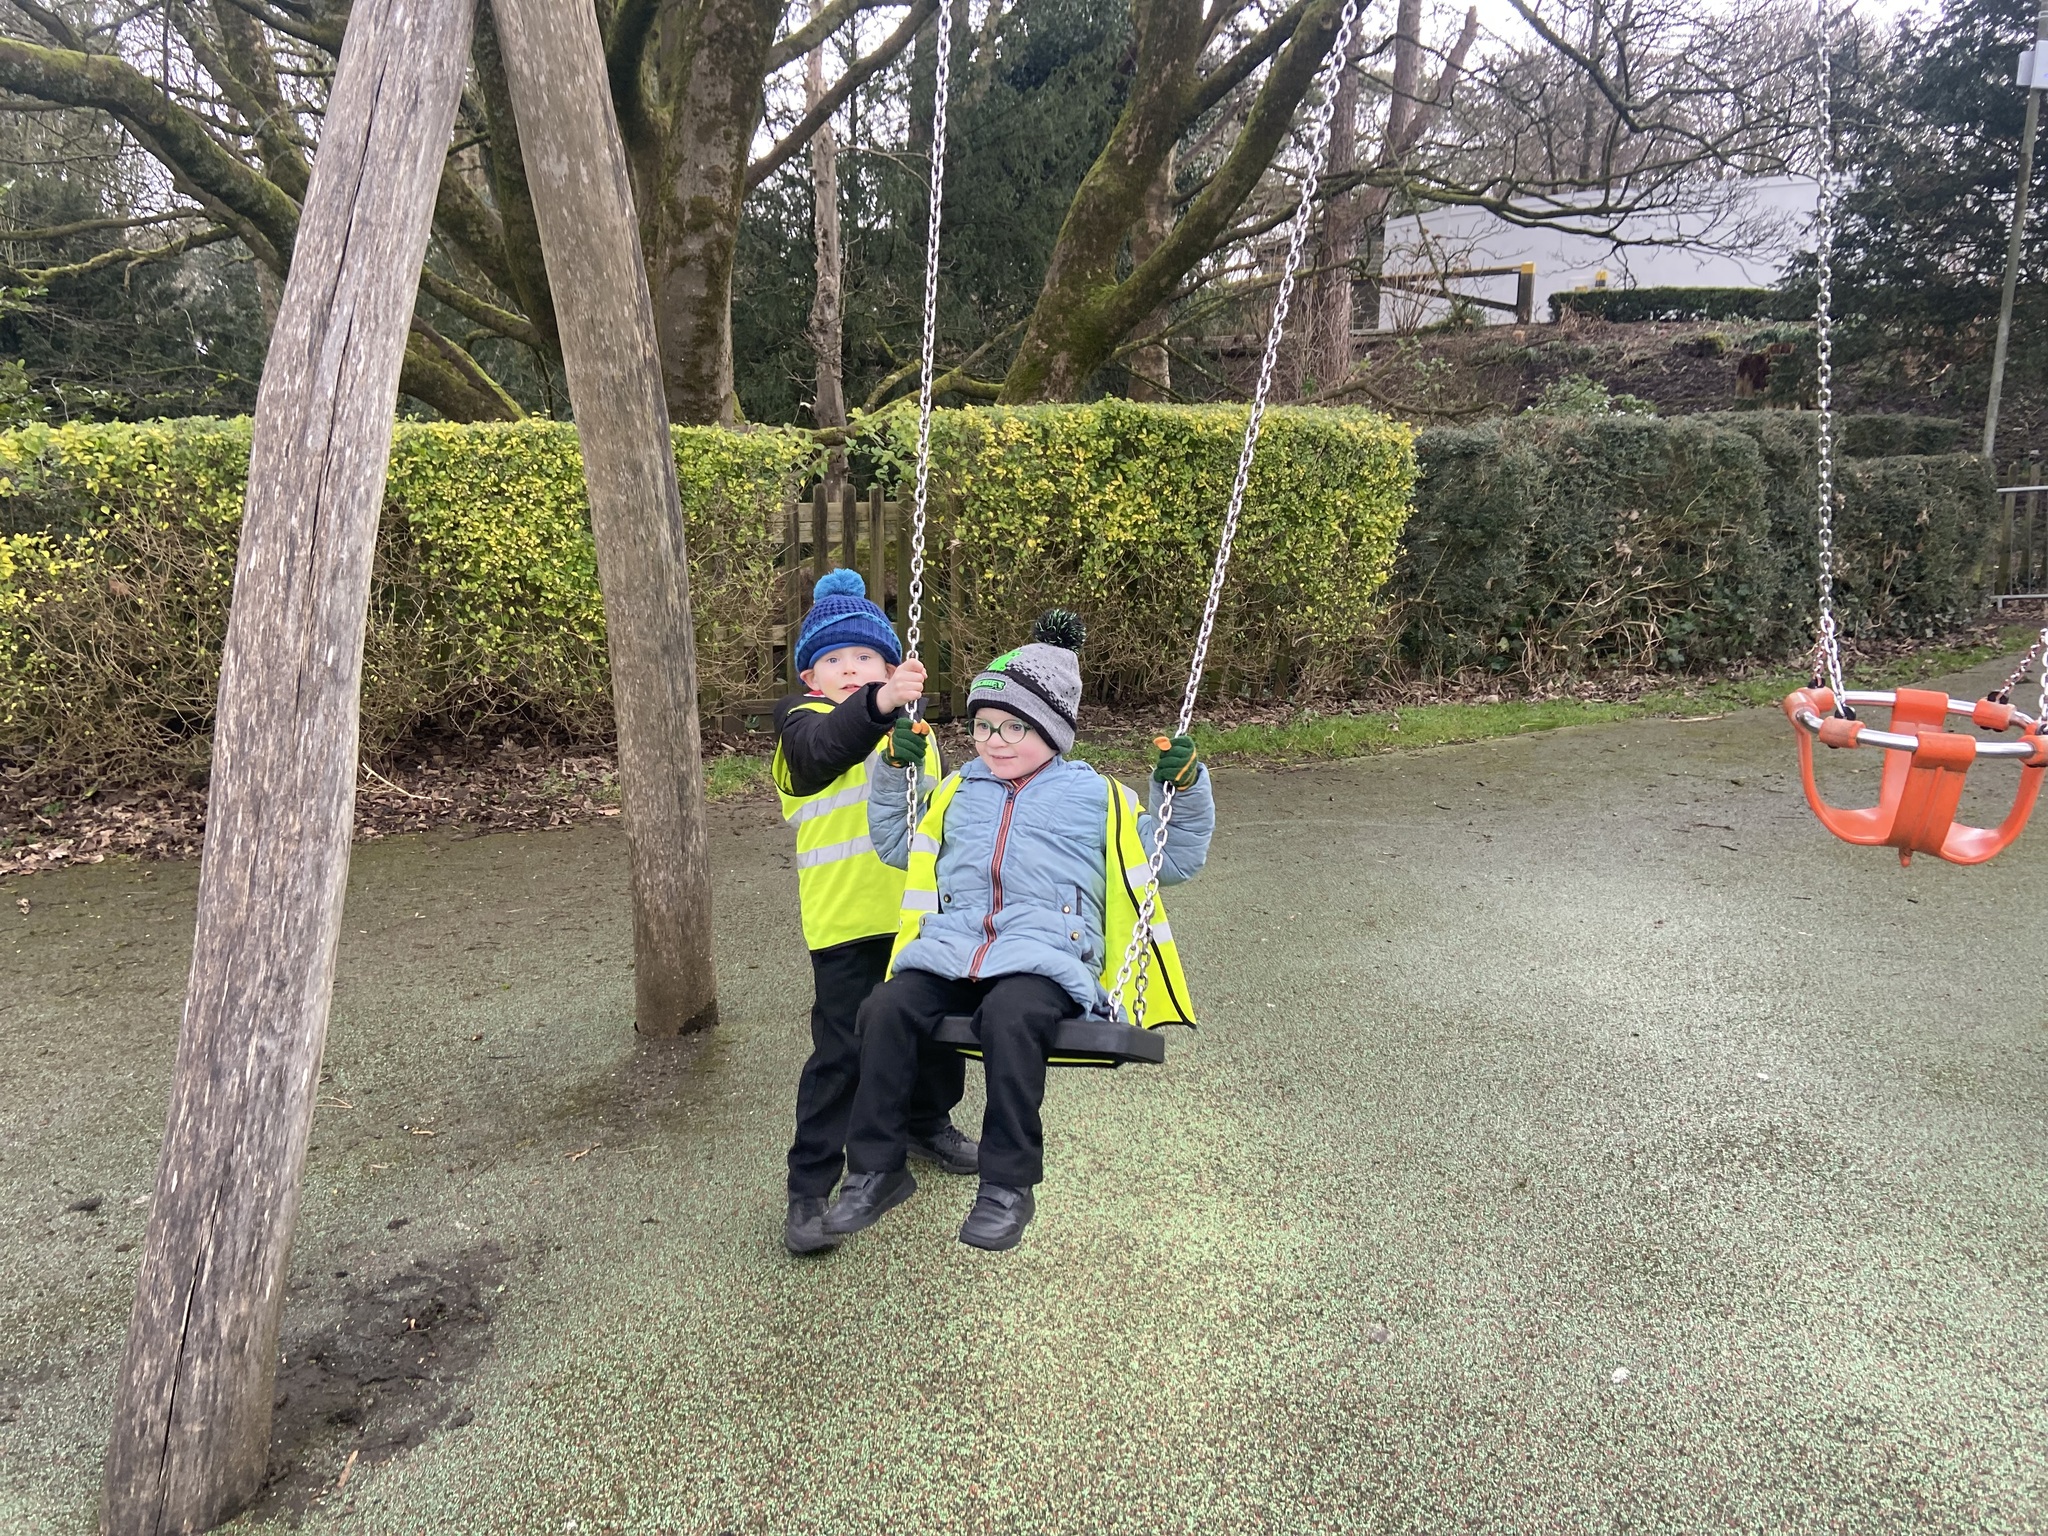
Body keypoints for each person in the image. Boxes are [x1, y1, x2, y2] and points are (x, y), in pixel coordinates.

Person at [822, 610, 1213, 1251]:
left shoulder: (1097, 797)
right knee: (884, 1008)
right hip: (954, 951)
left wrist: (1185, 788)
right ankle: (875, 1170)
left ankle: (1007, 1184)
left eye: (1014, 727)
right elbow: (897, 845)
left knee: (1011, 1016)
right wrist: (894, 774)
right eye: (982, 726)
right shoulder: (955, 792)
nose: (994, 741)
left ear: (1054, 730)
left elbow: (1174, 858)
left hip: (1044, 957)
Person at [772, 568, 979, 1257]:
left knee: (936, 1032)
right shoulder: (799, 726)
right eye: (833, 660)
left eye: (865, 656)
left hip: (918, 918)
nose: (850, 668)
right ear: (811, 678)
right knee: (844, 1052)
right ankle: (810, 1187)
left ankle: (926, 1120)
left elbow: (944, 819)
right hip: (843, 924)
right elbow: (823, 753)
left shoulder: (915, 731)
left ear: (891, 667)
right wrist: (877, 705)